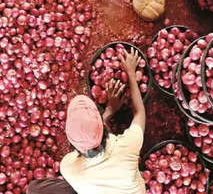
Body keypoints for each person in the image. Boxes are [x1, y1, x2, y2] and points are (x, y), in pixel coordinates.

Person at [26, 49, 147, 194]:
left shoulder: (68, 167)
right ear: (102, 126)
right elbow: (139, 113)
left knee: (34, 190)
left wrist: (108, 111)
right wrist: (131, 73)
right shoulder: (127, 147)